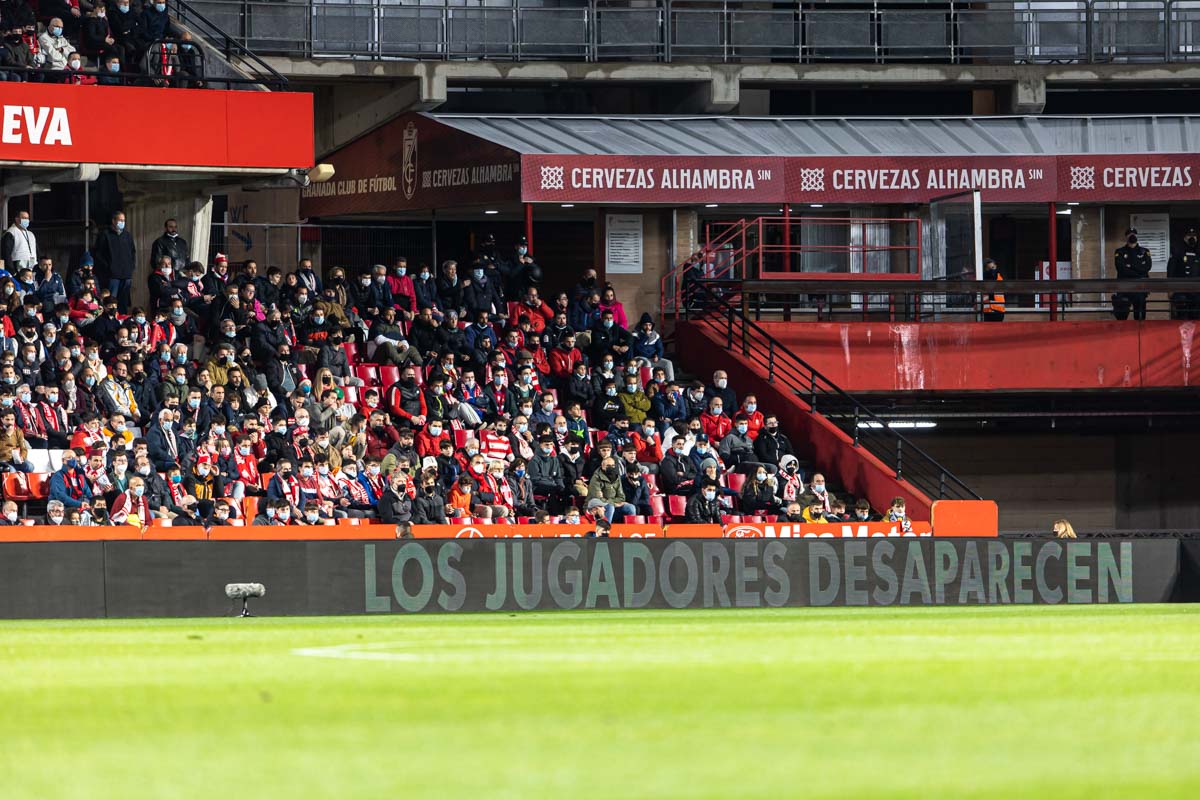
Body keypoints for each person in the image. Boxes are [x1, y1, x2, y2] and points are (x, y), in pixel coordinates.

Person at [92, 211, 136, 312]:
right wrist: (108, 267)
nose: (122, 222)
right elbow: (98, 254)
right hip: (112, 275)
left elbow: (133, 252)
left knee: (124, 302)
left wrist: (131, 267)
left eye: (124, 220)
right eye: (120, 220)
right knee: (111, 301)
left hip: (126, 274)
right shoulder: (105, 235)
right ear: (113, 221)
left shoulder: (127, 235)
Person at [1112, 228, 1152, 321]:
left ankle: (1141, 333)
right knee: (1121, 316)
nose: (1132, 235)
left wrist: (1130, 266)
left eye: (1134, 233)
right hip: (1124, 288)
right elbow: (1121, 269)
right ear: (1126, 237)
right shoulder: (1120, 252)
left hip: (1140, 289)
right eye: (1130, 234)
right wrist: (1139, 271)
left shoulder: (1145, 251)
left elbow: (1147, 267)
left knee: (1140, 316)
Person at [1168, 227, 1200, 320]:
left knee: (1196, 316)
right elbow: (1171, 270)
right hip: (1181, 290)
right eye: (1190, 236)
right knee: (1183, 315)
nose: (1192, 238)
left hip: (1196, 291)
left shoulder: (1198, 252)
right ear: (1185, 238)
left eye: (1194, 236)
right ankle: (1182, 334)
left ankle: (1196, 335)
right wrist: (1170, 289)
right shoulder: (1177, 250)